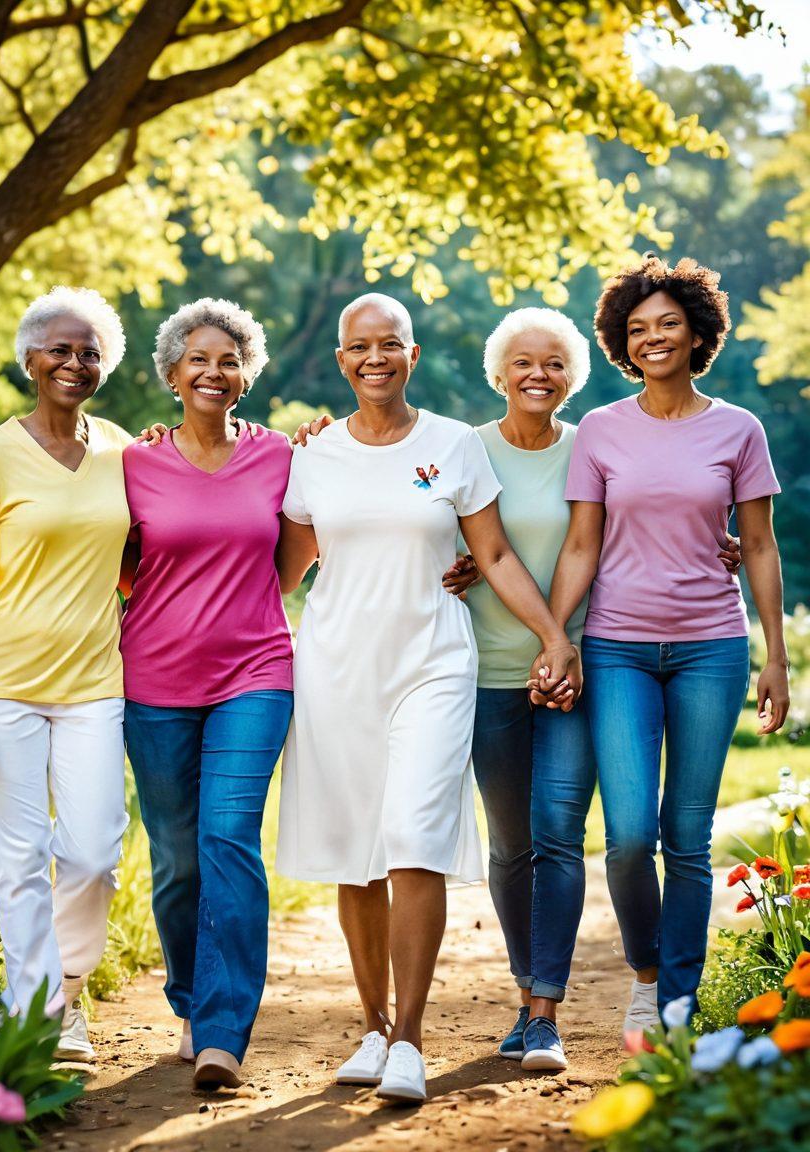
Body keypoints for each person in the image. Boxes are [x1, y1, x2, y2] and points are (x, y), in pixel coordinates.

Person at [276, 292, 581, 1103]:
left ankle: (409, 1038)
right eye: (358, 346)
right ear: (340, 360)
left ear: (412, 355)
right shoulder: (313, 457)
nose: (374, 358)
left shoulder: (452, 444)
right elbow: (275, 573)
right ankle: (371, 1027)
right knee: (355, 851)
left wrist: (554, 636)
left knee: (414, 835)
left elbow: (497, 554)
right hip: (337, 668)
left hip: (435, 663)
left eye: (390, 344)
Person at [463, 307, 741, 1072]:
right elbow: (424, 522)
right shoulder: (466, 450)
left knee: (559, 829)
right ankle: (527, 990)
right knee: (512, 845)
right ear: (499, 371)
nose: (538, 375)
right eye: (523, 362)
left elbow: (650, 516)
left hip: (585, 665)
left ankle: (546, 1010)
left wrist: (722, 543)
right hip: (492, 668)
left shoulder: (603, 441)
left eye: (554, 362)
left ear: (574, 373)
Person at [547, 253, 789, 1040]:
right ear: (623, 340)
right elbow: (582, 544)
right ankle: (647, 974)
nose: (653, 338)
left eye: (669, 325)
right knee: (625, 837)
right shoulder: (601, 432)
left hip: (710, 650)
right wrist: (557, 636)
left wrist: (774, 655)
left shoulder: (738, 428)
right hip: (616, 647)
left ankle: (677, 1002)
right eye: (638, 328)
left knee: (687, 836)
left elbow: (757, 547)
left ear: (697, 334)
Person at [0, 287, 137, 1061]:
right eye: (60, 348)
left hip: (95, 682)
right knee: (19, 859)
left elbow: (146, 558)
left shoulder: (126, 449)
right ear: (30, 359)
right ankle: (41, 1018)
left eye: (89, 352)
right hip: (2, 685)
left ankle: (71, 986)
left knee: (92, 852)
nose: (74, 362)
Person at [119, 299, 296, 1091]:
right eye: (198, 360)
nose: (214, 373)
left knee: (229, 838)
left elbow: (313, 542)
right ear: (170, 372)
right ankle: (190, 999)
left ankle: (225, 1028)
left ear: (246, 374)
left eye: (229, 361)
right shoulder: (133, 464)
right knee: (178, 857)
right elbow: (115, 562)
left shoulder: (282, 456)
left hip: (255, 674)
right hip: (153, 679)